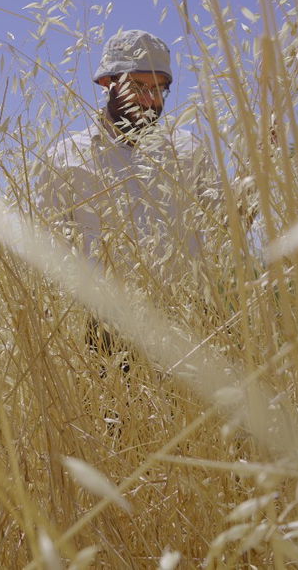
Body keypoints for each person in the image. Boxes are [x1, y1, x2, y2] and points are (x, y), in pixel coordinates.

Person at [38, 30, 218, 365]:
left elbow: (226, 226)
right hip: (101, 337)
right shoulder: (66, 157)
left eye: (159, 89)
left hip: (185, 325)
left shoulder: (189, 151)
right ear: (108, 83)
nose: (151, 101)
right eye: (139, 87)